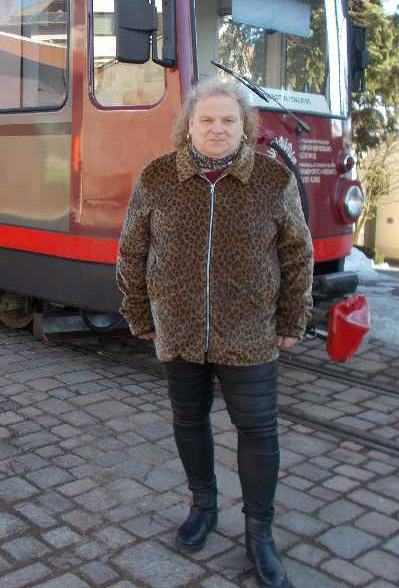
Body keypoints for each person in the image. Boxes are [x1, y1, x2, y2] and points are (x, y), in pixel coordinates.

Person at [116, 77, 313, 588]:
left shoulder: (272, 181)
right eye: (207, 120)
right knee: (188, 418)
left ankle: (259, 536)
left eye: (228, 120)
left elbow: (297, 252)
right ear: (190, 125)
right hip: (179, 330)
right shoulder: (159, 176)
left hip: (249, 334)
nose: (217, 129)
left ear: (245, 126)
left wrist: (293, 318)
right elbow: (131, 251)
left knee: (259, 432)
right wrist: (141, 313)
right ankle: (203, 506)